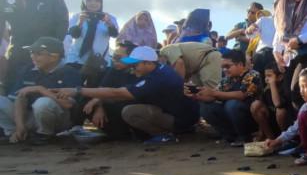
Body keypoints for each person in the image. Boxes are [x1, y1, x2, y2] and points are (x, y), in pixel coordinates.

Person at [56, 46, 200, 142]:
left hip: (181, 119)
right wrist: (98, 101)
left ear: (148, 63)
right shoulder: (159, 69)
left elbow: (117, 93)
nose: (133, 69)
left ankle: (165, 135)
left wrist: (78, 90)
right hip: (182, 114)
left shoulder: (156, 78)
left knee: (130, 112)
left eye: (135, 65)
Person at [0, 0, 69, 94]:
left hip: (45, 54)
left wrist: (52, 50)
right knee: (11, 90)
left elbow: (62, 23)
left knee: (39, 92)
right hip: (17, 52)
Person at [0, 37, 81, 143]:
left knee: (43, 103)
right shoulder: (28, 69)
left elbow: (68, 104)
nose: (32, 56)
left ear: (54, 57)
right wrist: (20, 126)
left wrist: (41, 90)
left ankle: (44, 134)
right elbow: (19, 98)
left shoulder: (69, 72)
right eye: (31, 52)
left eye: (38, 53)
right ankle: (16, 133)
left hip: (58, 122)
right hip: (30, 117)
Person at [189, 49, 261, 146]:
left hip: (251, 117)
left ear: (240, 64)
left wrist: (213, 93)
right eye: (223, 67)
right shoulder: (226, 80)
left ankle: (245, 137)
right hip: (233, 114)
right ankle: (230, 136)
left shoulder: (252, 74)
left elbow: (242, 95)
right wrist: (197, 96)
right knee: (206, 107)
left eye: (227, 66)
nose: (225, 70)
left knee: (232, 104)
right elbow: (214, 96)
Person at [80, 41, 139, 139]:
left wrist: (98, 101)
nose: (114, 60)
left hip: (125, 106)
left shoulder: (138, 73)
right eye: (113, 57)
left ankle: (121, 134)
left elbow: (123, 96)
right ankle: (84, 127)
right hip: (109, 102)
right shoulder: (113, 70)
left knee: (120, 107)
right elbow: (101, 90)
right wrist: (99, 107)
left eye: (118, 57)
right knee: (86, 100)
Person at [65, 0, 119, 84]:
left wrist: (109, 23)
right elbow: (73, 34)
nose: (93, 3)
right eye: (89, 0)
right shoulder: (77, 16)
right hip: (76, 59)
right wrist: (80, 22)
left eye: (97, 0)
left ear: (101, 3)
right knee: (72, 87)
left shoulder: (109, 17)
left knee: (93, 89)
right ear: (84, 2)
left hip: (98, 61)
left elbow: (114, 34)